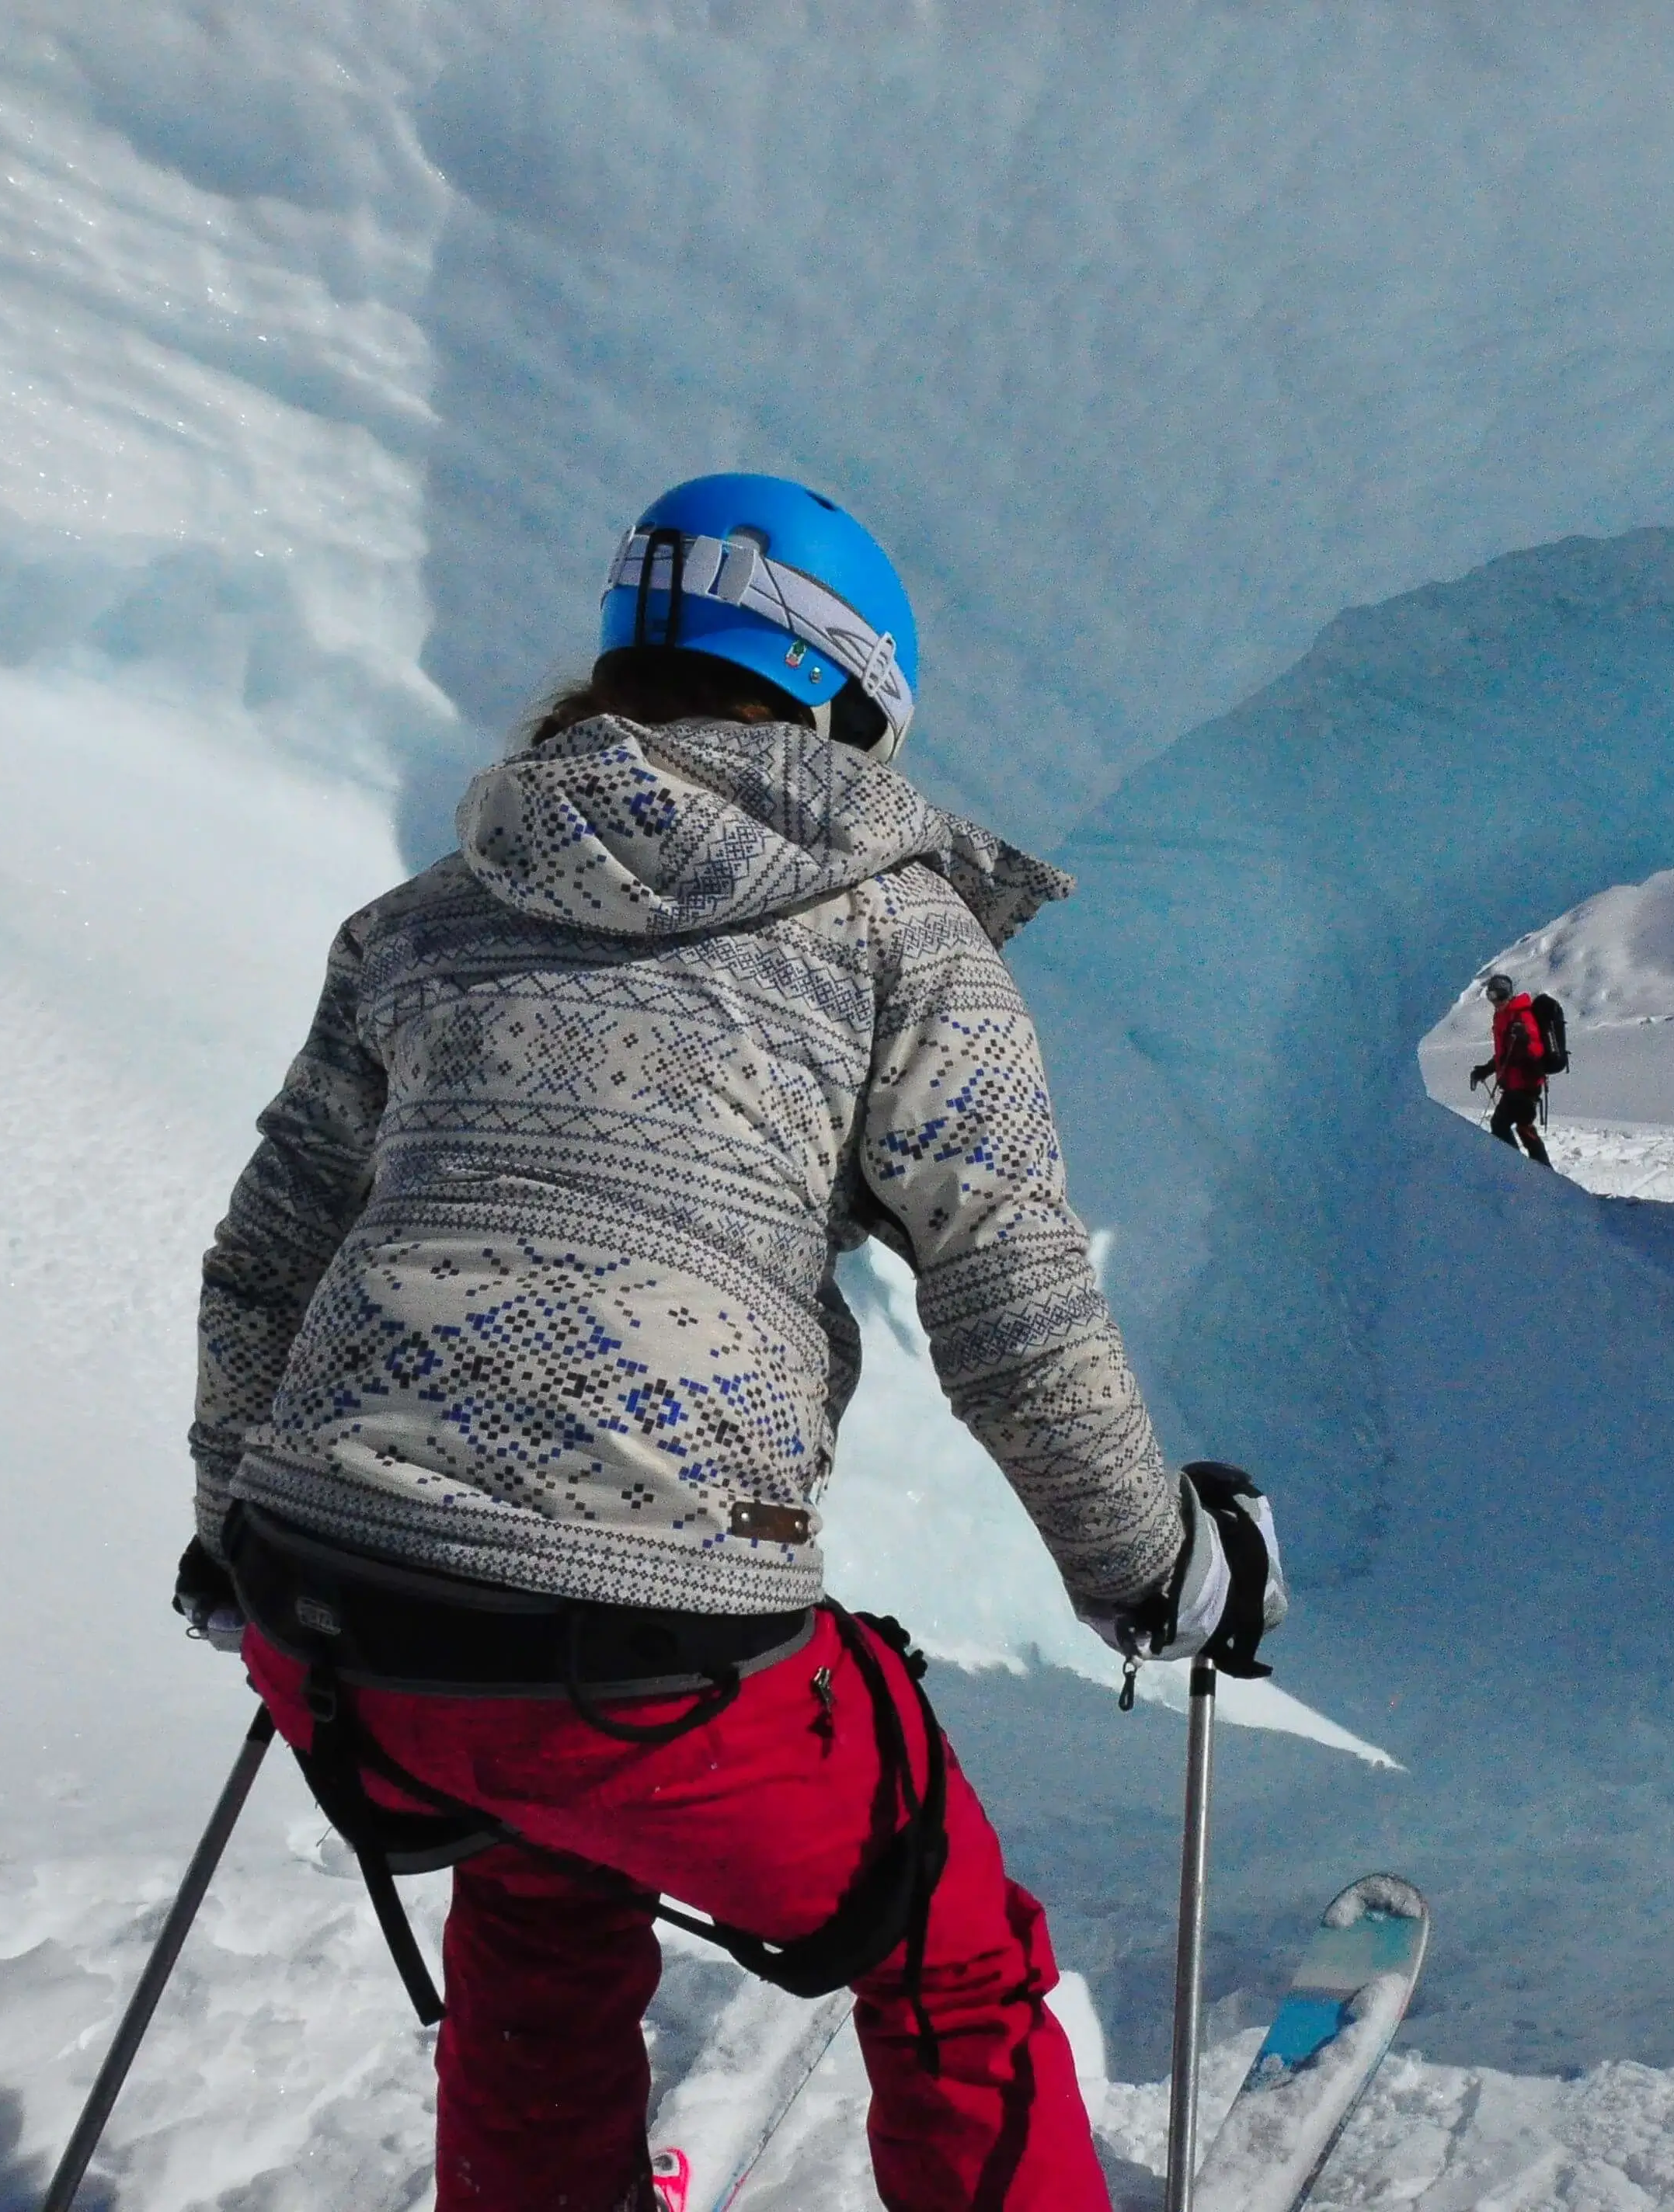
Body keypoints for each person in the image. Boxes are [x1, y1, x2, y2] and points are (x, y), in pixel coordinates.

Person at [172, 473, 1285, 2212]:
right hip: (649, 1655)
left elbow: (264, 1262)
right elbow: (1008, 1292)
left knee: (538, 1869)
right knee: (952, 1946)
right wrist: (1159, 1566)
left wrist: (229, 1538)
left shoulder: (421, 916)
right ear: (848, 701)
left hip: (337, 1628)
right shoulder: (894, 930)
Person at [1468, 970, 1554, 1163]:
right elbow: (1505, 1054)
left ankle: (1525, 1171)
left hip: (1526, 1085)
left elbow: (1537, 1052)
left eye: (1497, 996)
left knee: (1505, 1125)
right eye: (1490, 997)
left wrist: (1525, 1039)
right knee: (1518, 1128)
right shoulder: (1503, 1016)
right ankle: (1538, 1173)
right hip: (1513, 1085)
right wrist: (1486, 1070)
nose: (1494, 1002)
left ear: (1507, 994)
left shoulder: (1522, 1016)